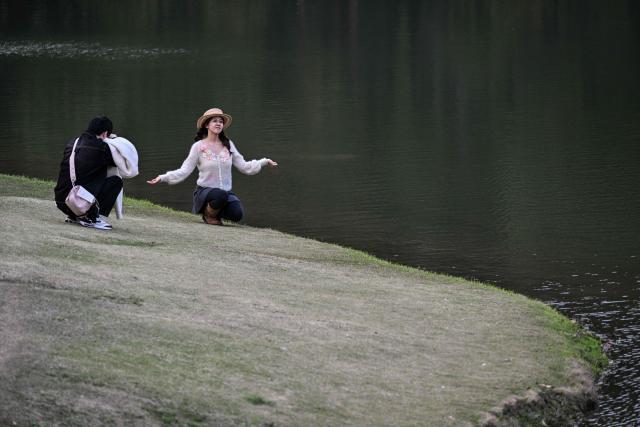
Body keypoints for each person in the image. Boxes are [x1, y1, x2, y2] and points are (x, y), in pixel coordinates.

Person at [147, 107, 277, 225]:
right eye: (215, 121)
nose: (218, 123)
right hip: (205, 192)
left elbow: (244, 166)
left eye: (221, 121)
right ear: (207, 125)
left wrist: (264, 161)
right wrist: (163, 177)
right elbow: (184, 170)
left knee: (237, 214)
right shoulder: (198, 147)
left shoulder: (228, 145)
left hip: (224, 193)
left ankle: (216, 211)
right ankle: (208, 215)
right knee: (220, 195)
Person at [54, 116, 123, 230]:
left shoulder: (72, 142)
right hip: (76, 202)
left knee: (84, 178)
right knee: (116, 181)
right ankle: (94, 218)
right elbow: (119, 163)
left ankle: (75, 216)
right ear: (105, 134)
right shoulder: (102, 147)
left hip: (62, 201)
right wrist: (114, 143)